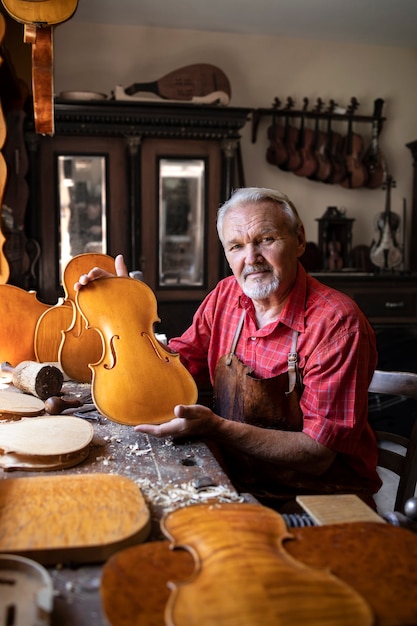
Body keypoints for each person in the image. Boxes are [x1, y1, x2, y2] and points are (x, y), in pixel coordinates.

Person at [75, 187, 382, 510]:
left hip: (321, 499)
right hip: (237, 482)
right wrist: (124, 312)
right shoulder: (226, 296)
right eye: (237, 246)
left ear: (300, 240)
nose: (251, 259)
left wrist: (218, 428)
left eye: (266, 239)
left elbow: (318, 454)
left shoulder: (336, 324)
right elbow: (171, 372)